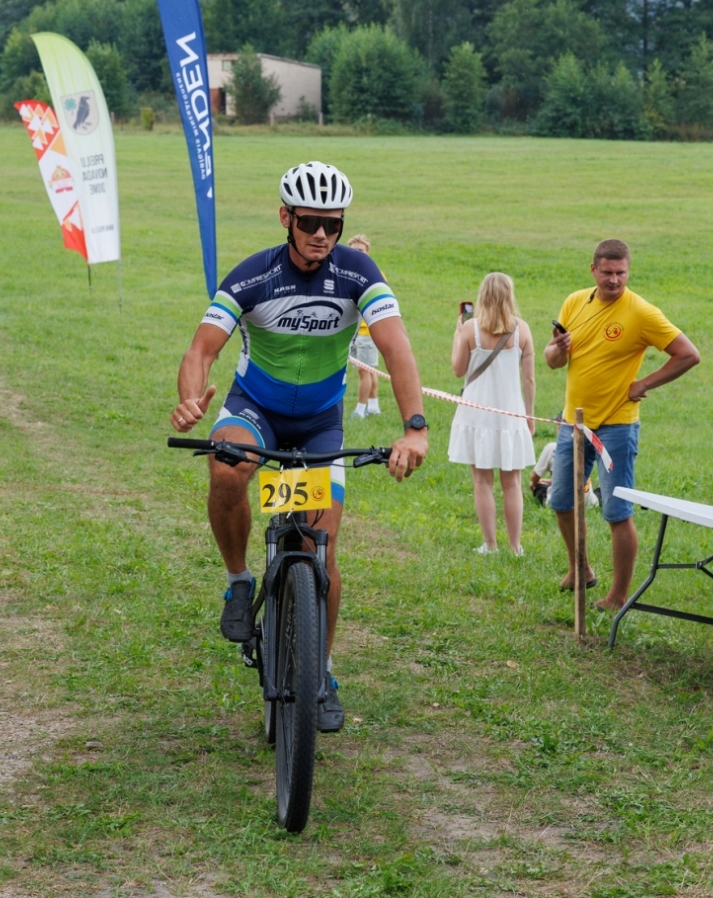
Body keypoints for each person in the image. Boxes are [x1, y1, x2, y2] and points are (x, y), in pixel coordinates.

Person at [168, 161, 429, 733]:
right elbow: (201, 350)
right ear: (286, 217)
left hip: (318, 426)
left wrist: (414, 426)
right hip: (253, 411)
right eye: (310, 222)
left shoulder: (359, 273)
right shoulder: (253, 276)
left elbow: (396, 348)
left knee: (324, 554)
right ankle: (239, 580)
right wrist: (191, 399)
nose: (322, 236)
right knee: (227, 465)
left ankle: (321, 671)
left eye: (333, 225)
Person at [543, 239, 701, 607]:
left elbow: (689, 354)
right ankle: (579, 567)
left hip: (616, 426)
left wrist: (643, 384)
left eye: (621, 273)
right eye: (608, 273)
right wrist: (557, 349)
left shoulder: (642, 313)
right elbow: (552, 361)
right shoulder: (574, 302)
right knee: (561, 501)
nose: (614, 280)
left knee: (616, 511)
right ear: (593, 270)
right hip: (573, 422)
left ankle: (618, 596)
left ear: (628, 271)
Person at [449, 273, 536, 556]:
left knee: (482, 481)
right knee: (512, 483)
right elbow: (529, 380)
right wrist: (529, 414)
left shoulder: (470, 329)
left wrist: (456, 336)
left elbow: (458, 370)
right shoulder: (522, 330)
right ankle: (514, 546)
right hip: (511, 414)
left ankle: (490, 544)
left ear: (482, 296)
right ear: (510, 296)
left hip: (476, 414)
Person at [344, 234, 382, 417]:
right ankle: (374, 407)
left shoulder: (373, 274)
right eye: (353, 251)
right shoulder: (348, 274)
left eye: (360, 251)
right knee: (369, 370)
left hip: (367, 331)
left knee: (363, 371)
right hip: (353, 331)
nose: (356, 254)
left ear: (367, 253)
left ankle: (360, 411)